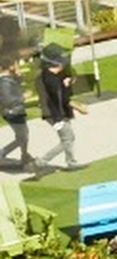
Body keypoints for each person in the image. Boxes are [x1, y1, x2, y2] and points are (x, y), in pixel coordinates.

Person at [29, 48, 81, 176]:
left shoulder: (45, 75)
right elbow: (62, 99)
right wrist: (67, 86)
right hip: (56, 114)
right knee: (67, 140)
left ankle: (71, 162)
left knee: (69, 138)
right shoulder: (53, 81)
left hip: (53, 113)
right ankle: (40, 163)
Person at [0, 61, 28, 169]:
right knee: (22, 136)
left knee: (23, 135)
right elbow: (8, 100)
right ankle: (2, 153)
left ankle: (24, 156)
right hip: (12, 112)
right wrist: (23, 97)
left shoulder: (8, 79)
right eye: (15, 65)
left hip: (16, 111)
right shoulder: (4, 82)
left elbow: (16, 83)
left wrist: (18, 75)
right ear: (10, 66)